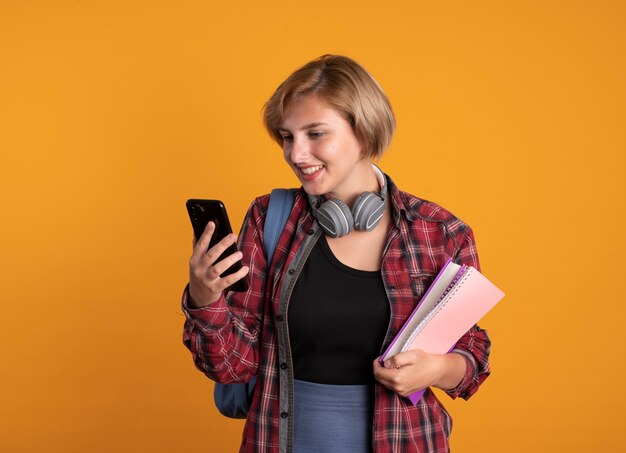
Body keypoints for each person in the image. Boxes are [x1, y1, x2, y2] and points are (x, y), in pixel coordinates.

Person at [182, 54, 491, 452]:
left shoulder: (440, 232)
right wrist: (205, 300)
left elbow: (472, 352)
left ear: (363, 131)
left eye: (314, 134)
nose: (295, 154)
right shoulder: (268, 219)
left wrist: (438, 368)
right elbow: (230, 367)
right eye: (287, 136)